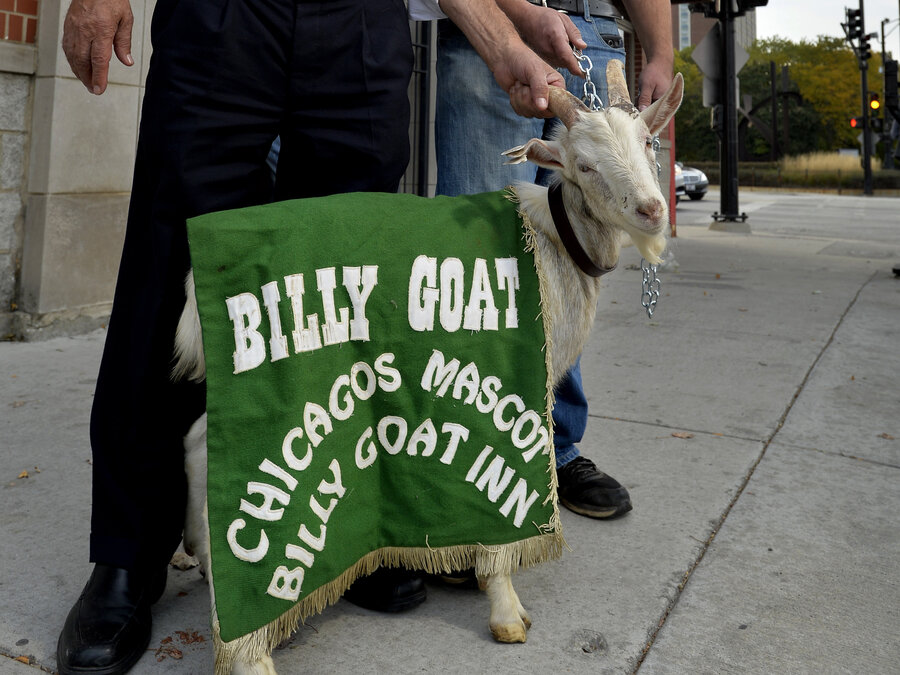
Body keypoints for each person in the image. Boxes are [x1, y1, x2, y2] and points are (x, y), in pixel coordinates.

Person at [55, 1, 572, 673]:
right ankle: (129, 551)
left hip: (361, 21)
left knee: (346, 272)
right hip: (225, 17)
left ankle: (339, 530)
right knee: (173, 256)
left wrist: (501, 45)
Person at [435, 0, 674, 521]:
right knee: (477, 254)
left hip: (596, 36)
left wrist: (661, 49)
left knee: (577, 258)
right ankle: (457, 460)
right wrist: (519, 14)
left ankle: (555, 450)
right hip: (494, 32)